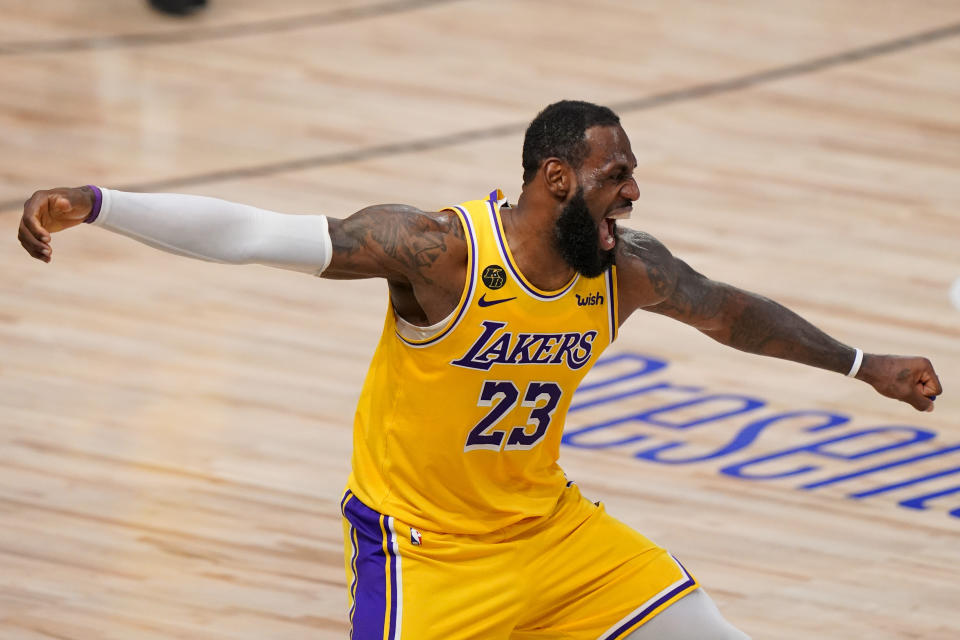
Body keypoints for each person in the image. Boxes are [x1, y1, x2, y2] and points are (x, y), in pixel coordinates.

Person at [17, 100, 942, 639]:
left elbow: (732, 314)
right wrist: (99, 205)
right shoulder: (438, 252)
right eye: (615, 174)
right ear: (554, 180)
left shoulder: (625, 269)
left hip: (551, 534)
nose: (631, 191)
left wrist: (864, 365)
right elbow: (260, 234)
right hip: (422, 553)